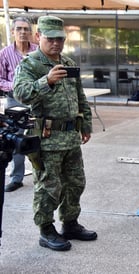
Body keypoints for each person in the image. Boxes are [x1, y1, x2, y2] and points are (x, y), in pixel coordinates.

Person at [13, 15, 97, 251]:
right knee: (48, 186)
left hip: (71, 136)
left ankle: (70, 223)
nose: (56, 44)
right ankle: (46, 230)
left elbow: (80, 96)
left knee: (75, 183)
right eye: (51, 39)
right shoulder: (30, 64)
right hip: (47, 138)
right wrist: (46, 81)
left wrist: (86, 124)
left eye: (60, 39)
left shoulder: (69, 63)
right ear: (39, 36)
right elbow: (21, 93)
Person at [0, 17, 37, 192]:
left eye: (25, 29)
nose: (22, 32)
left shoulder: (38, 51)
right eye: (19, 29)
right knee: (15, 139)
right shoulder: (5, 53)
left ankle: (42, 176)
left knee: (41, 137)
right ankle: (17, 178)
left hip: (37, 99)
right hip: (15, 100)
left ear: (30, 32)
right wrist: (14, 86)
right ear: (13, 31)